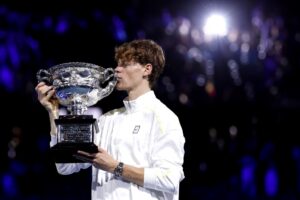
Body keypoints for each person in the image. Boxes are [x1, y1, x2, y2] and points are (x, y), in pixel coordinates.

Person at [35, 39, 185, 200]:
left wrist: (115, 167)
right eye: (117, 64)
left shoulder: (164, 117)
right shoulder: (106, 120)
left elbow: (170, 179)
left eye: (125, 64)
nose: (117, 69)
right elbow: (65, 166)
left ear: (147, 69)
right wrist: (53, 112)